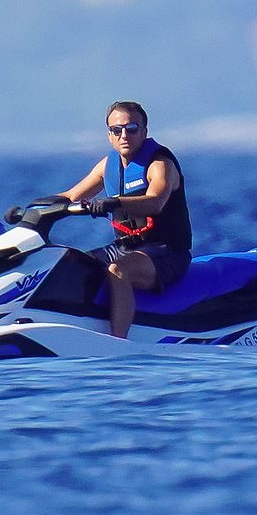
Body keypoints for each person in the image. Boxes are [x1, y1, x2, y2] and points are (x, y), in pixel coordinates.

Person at [58, 100, 192, 338]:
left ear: (144, 132)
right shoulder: (107, 166)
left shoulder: (160, 164)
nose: (124, 135)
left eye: (131, 129)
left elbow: (156, 200)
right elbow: (71, 196)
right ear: (109, 135)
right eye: (116, 130)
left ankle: (117, 340)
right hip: (126, 247)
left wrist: (114, 202)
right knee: (73, 265)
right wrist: (32, 209)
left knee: (119, 270)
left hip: (167, 251)